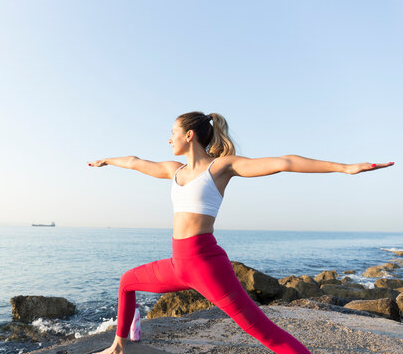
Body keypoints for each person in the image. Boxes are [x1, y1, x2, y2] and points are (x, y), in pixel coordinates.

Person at [87, 111, 394, 354]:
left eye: (173, 133)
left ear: (189, 135)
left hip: (207, 265)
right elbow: (135, 162)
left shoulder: (221, 167)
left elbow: (284, 162)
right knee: (127, 281)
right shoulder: (174, 170)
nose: (169, 139)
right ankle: (118, 346)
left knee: (263, 332)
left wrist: (344, 168)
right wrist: (107, 161)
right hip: (177, 265)